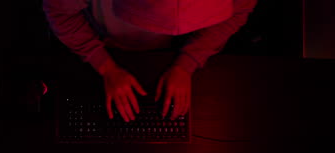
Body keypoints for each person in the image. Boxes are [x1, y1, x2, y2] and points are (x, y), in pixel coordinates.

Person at [43, 0, 258, 122]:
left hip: (171, 53)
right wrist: (105, 65)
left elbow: (238, 12)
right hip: (104, 39)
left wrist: (188, 62)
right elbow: (59, 12)